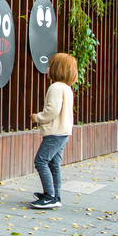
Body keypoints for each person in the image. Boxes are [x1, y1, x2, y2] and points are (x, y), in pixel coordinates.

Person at [29, 53, 78, 209]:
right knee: (54, 164)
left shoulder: (55, 87)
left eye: (50, 65)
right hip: (64, 132)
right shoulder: (67, 88)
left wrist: (37, 117)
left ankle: (50, 196)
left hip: (55, 133)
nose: (48, 68)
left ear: (58, 69)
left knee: (41, 161)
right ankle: (55, 195)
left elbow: (52, 110)